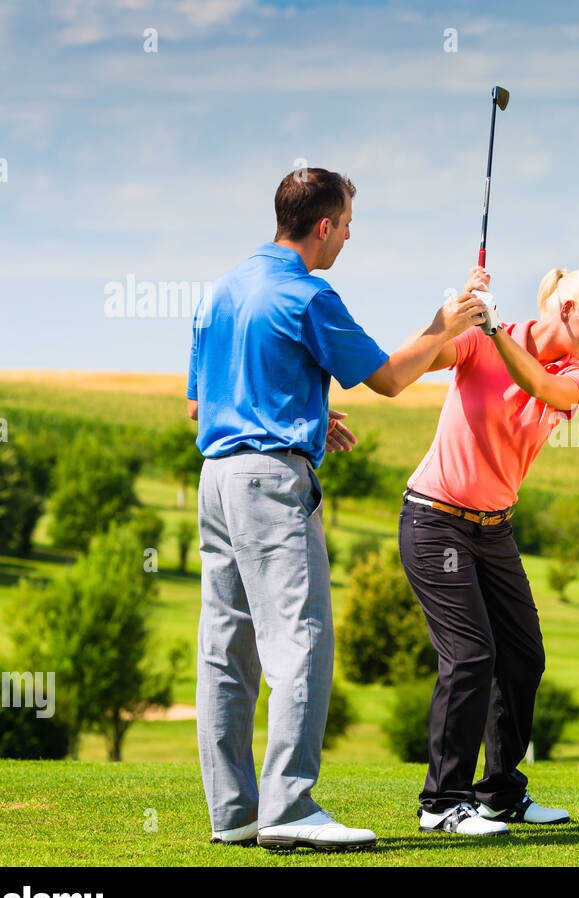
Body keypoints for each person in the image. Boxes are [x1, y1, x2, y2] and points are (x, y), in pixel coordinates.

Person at [187, 167, 488, 850]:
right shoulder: (307, 294)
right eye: (348, 223)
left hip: (216, 479)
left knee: (224, 650)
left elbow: (201, 407)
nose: (350, 236)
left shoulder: (220, 292)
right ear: (323, 225)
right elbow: (388, 378)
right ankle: (290, 807)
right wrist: (444, 325)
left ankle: (234, 813)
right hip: (270, 485)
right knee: (301, 640)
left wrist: (308, 414)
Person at [400, 265, 579, 836]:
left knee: (523, 657)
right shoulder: (478, 340)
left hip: (494, 528)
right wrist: (453, 316)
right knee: (472, 654)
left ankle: (499, 793)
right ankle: (442, 805)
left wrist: (497, 330)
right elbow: (413, 364)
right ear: (569, 308)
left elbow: (538, 387)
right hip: (435, 520)